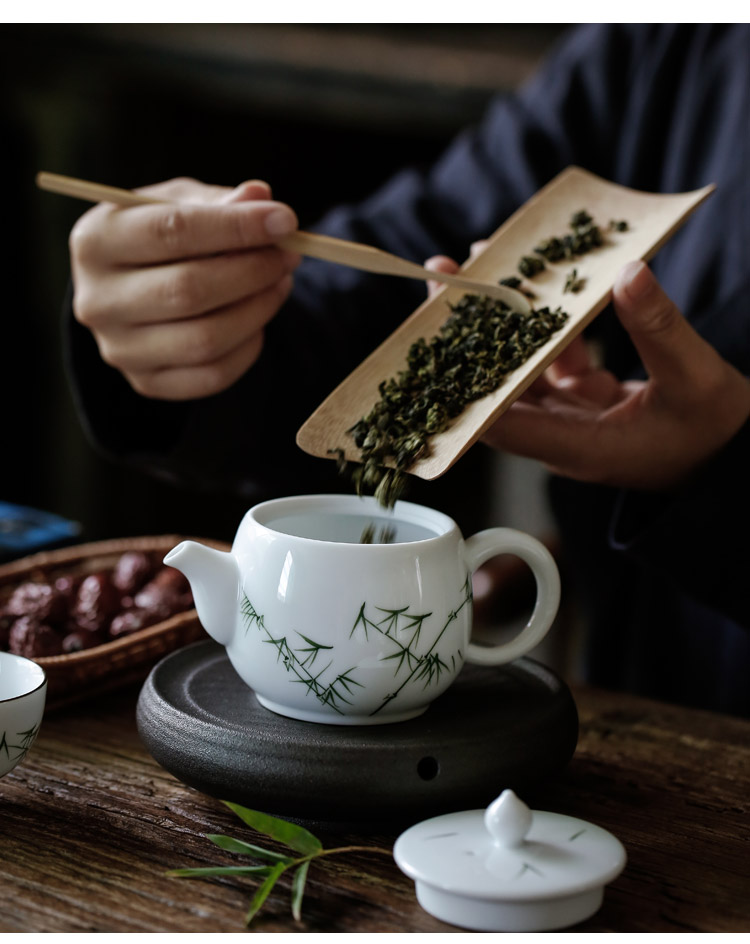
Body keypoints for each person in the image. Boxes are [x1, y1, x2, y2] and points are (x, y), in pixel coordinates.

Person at [64, 23, 750, 716]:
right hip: (638, 721)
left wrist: (724, 469)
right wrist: (191, 312)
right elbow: (398, 274)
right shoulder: (676, 35)